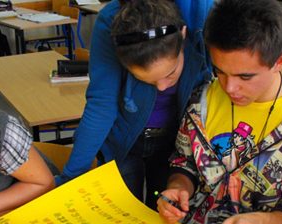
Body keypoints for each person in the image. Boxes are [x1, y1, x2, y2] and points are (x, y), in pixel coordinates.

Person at [157, 0, 282, 224]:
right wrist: (179, 189)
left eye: (245, 77)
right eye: (220, 72)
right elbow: (184, 162)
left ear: (279, 61)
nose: (230, 87)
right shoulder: (204, 99)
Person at [56, 0, 213, 210]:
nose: (162, 87)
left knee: (163, 208)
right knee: (124, 211)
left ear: (183, 34)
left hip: (175, 144)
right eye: (145, 80)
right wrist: (71, 177)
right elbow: (101, 105)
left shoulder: (201, 14)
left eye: (170, 74)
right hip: (124, 144)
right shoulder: (113, 22)